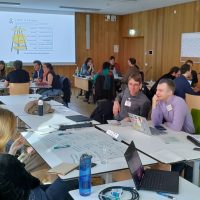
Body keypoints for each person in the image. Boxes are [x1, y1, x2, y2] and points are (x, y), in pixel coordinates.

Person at [0, 107, 77, 200]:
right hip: (33, 196)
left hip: (18, 193)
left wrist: (11, 152)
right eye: (13, 129)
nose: (14, 132)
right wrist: (11, 160)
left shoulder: (6, 160)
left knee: (60, 182)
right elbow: (33, 182)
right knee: (74, 178)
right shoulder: (6, 162)